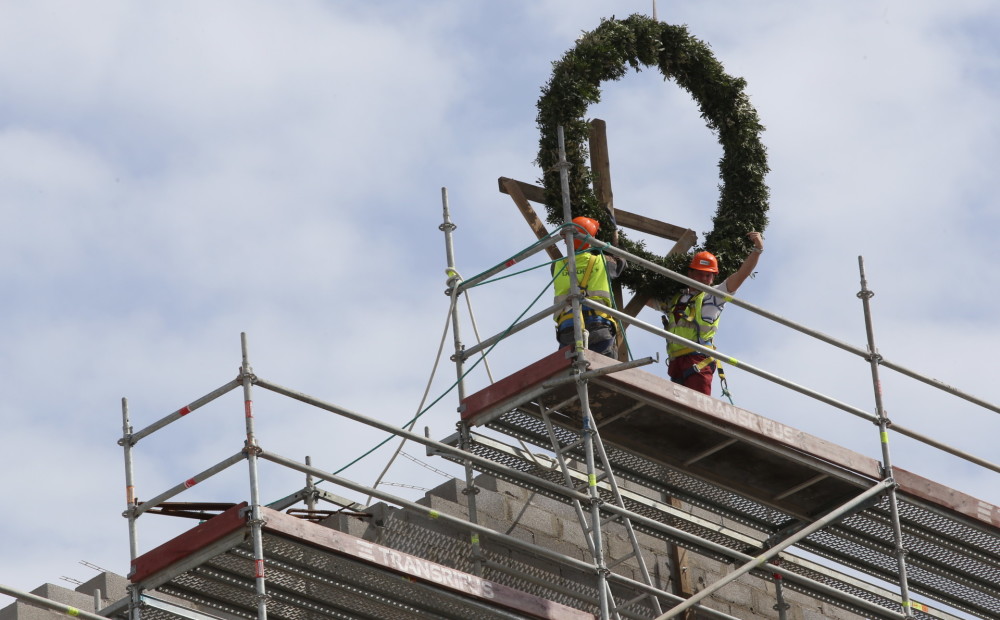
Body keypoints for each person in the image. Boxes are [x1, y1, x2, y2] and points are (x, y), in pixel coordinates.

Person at [661, 231, 764, 395]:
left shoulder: (713, 296)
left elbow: (740, 275)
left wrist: (757, 250)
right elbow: (647, 299)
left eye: (708, 275)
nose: (703, 278)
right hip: (676, 364)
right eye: (699, 273)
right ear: (690, 273)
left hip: (698, 361)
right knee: (676, 412)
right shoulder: (677, 298)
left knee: (697, 409)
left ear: (713, 277)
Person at [553, 216, 625, 359]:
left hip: (567, 327)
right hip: (597, 325)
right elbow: (621, 261)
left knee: (571, 373)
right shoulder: (603, 261)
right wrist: (614, 238)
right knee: (605, 372)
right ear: (590, 239)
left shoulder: (557, 265)